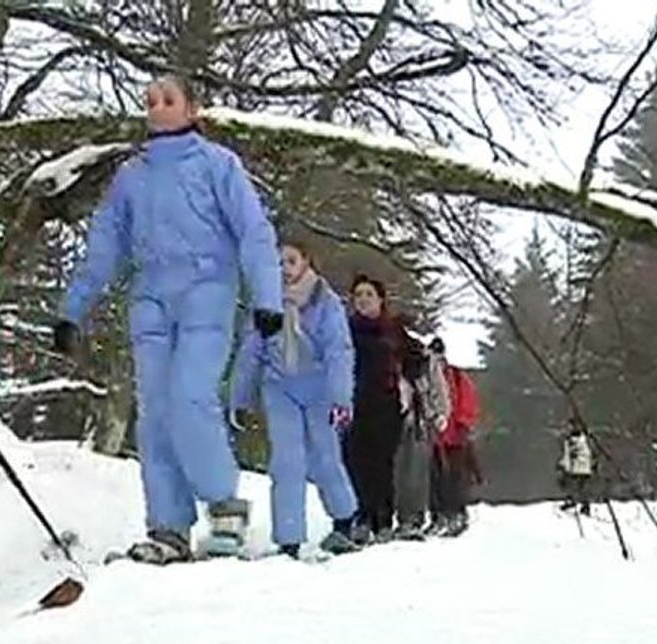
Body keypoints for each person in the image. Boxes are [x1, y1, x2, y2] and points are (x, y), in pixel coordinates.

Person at [53, 75, 284, 564]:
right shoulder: (132, 176)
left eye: (168, 100)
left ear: (192, 109)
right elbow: (104, 246)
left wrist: (268, 298)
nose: (157, 108)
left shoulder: (219, 165)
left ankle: (224, 504)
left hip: (207, 292)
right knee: (155, 410)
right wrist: (73, 311)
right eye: (151, 101)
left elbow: (253, 232)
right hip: (151, 298)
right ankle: (168, 526)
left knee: (190, 396)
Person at [230, 241, 359, 558]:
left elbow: (338, 351)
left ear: (306, 263)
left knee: (325, 457)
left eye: (291, 261)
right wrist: (240, 398)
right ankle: (288, 538)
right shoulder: (267, 302)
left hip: (319, 389)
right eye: (279, 262)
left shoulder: (325, 302)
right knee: (286, 462)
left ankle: (344, 520)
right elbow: (251, 352)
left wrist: (340, 397)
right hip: (280, 387)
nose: (284, 268)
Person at [345, 275, 407, 543]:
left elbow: (415, 359)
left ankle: (383, 519)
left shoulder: (393, 330)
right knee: (355, 462)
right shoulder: (345, 329)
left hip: (386, 404)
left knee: (381, 463)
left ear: (380, 299)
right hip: (353, 402)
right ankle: (361, 516)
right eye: (358, 295)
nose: (363, 300)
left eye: (369, 294)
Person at [393, 330, 451, 540]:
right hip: (387, 418)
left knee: (413, 472)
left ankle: (411, 519)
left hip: (417, 420)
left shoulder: (426, 361)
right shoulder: (385, 354)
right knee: (393, 472)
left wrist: (440, 414)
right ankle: (382, 518)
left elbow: (439, 389)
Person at [427, 337, 480, 537]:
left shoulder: (457, 377)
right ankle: (438, 514)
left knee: (455, 478)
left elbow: (469, 403)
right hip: (433, 438)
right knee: (435, 479)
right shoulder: (427, 377)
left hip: (454, 438)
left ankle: (457, 512)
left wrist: (463, 424)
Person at [557, 416, 593, 516]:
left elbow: (581, 453)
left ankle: (578, 503)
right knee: (576, 485)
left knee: (578, 485)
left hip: (580, 467)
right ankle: (575, 501)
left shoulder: (578, 440)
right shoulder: (571, 440)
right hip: (577, 467)